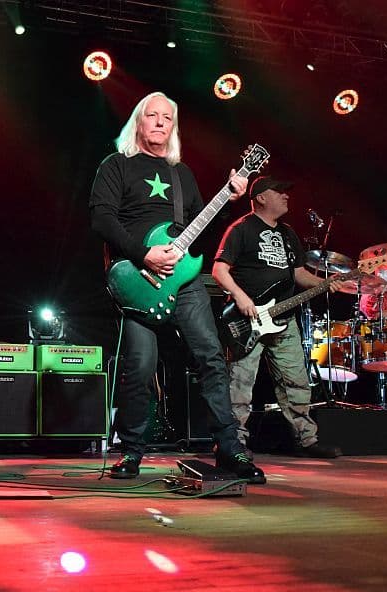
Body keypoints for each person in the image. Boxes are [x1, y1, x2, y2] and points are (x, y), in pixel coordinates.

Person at [89, 91, 265, 482]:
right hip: (138, 278)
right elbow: (102, 219)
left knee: (211, 357)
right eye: (152, 115)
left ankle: (230, 448)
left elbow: (201, 233)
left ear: (174, 127)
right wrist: (144, 254)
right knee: (140, 366)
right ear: (139, 121)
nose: (159, 123)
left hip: (184, 281)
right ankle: (131, 451)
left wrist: (230, 200)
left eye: (167, 118)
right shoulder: (116, 165)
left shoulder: (181, 174)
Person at [212, 176, 343, 458]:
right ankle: (234, 443)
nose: (286, 196)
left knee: (296, 381)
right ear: (260, 197)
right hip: (247, 320)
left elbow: (299, 274)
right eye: (279, 191)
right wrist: (241, 297)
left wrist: (325, 283)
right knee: (240, 384)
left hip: (284, 318)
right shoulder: (241, 229)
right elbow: (219, 271)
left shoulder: (288, 233)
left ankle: (306, 440)